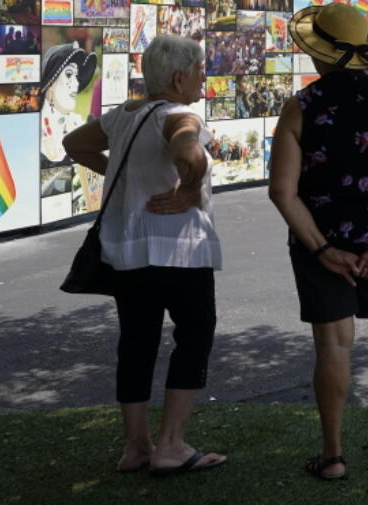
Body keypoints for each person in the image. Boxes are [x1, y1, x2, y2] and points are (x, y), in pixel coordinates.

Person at [268, 3, 368, 481]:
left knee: (334, 345)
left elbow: (282, 190)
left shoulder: (301, 106)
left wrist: (321, 248)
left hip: (321, 244)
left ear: (319, 54)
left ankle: (333, 455)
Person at [63, 34, 224, 476]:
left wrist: (123, 170)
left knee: (136, 342)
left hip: (127, 252)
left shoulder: (123, 115)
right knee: (195, 334)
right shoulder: (179, 115)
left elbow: (74, 145)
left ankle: (136, 447)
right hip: (179, 250)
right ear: (179, 78)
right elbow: (187, 149)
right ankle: (171, 444)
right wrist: (188, 188)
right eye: (198, 70)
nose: (202, 77)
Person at [41, 42, 97, 167]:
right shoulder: (35, 129)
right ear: (50, 84)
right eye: (69, 74)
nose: (76, 83)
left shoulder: (78, 124)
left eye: (76, 76)